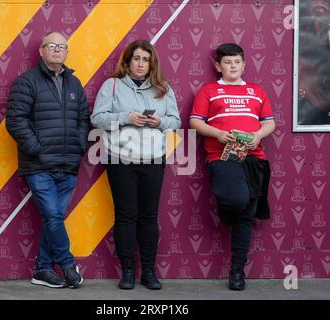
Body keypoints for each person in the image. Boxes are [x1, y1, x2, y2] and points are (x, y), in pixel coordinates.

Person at [91, 40, 181, 290]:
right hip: (120, 160)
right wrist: (126, 118)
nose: (141, 64)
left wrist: (158, 122)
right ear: (128, 62)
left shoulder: (163, 88)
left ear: (152, 62)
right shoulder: (112, 85)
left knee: (149, 217)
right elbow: (97, 119)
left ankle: (149, 272)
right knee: (125, 216)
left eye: (145, 59)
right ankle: (128, 271)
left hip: (153, 159)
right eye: (136, 59)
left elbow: (175, 121)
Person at [6, 31, 90, 289]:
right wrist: (36, 148)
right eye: (51, 45)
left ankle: (42, 269)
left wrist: (78, 146)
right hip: (39, 165)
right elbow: (15, 121)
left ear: (67, 52)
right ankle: (66, 263)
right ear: (41, 50)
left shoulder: (74, 84)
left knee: (53, 218)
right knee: (53, 214)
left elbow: (83, 120)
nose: (57, 50)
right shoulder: (26, 82)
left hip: (68, 163)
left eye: (62, 47)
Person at [189, 43, 275, 290]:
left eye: (237, 62)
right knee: (237, 201)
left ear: (244, 64)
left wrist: (258, 135)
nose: (233, 66)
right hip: (222, 156)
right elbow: (195, 121)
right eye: (227, 62)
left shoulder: (257, 91)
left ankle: (237, 272)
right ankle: (228, 213)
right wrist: (217, 133)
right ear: (218, 66)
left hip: (254, 156)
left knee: (246, 217)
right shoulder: (209, 91)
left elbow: (269, 123)